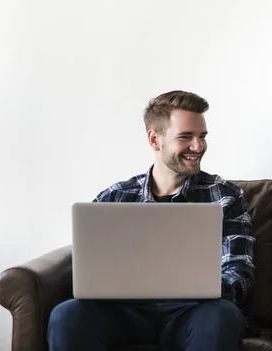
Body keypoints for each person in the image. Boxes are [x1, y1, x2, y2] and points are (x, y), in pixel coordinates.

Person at [47, 90, 256, 351]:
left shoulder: (225, 196)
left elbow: (240, 271)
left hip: (196, 311)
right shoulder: (114, 197)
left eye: (202, 136)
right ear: (155, 140)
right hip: (125, 312)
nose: (198, 146)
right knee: (67, 315)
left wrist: (199, 288)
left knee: (222, 315)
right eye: (186, 137)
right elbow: (90, 269)